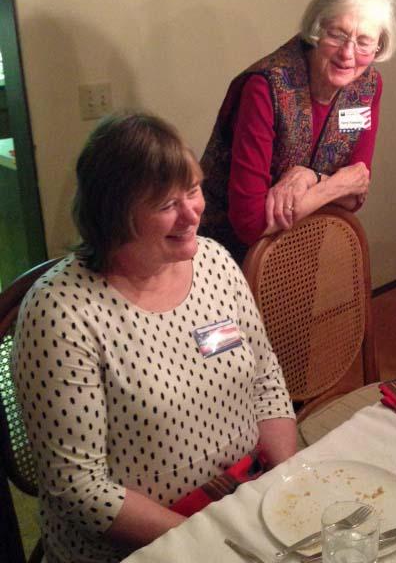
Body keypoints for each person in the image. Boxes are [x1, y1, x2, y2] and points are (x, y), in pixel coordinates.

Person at [12, 112, 297, 563]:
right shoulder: (61, 313)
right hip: (142, 546)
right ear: (115, 216)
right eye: (167, 204)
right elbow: (78, 486)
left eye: (193, 190)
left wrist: (287, 482)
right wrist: (207, 541)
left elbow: (265, 380)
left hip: (240, 499)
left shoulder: (215, 262)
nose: (192, 212)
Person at [199, 0, 396, 260]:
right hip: (225, 259)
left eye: (364, 41)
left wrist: (312, 178)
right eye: (338, 34)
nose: (348, 53)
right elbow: (250, 223)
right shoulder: (265, 88)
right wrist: (335, 185)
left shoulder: (368, 86)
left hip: (299, 254)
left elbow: (356, 194)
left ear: (379, 45)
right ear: (317, 28)